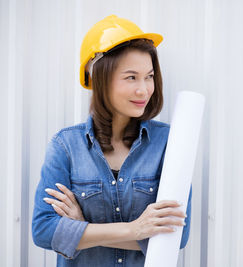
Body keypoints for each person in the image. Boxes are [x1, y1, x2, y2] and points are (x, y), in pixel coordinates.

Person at [31, 15, 192, 267]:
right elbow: (43, 231)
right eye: (131, 77)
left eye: (148, 76)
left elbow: (176, 237)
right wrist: (135, 230)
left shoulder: (169, 143)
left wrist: (82, 229)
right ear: (100, 79)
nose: (144, 90)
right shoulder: (66, 145)